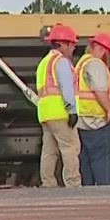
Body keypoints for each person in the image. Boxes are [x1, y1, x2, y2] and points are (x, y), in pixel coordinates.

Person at [35, 24, 81, 187]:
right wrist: (72, 110)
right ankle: (73, 183)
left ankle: (48, 183)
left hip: (46, 114)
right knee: (70, 148)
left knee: (49, 151)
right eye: (72, 44)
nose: (74, 48)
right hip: (60, 112)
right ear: (63, 44)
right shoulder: (61, 62)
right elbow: (66, 88)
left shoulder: (44, 63)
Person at [76, 32, 110, 186]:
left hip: (82, 123)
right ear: (103, 49)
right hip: (98, 124)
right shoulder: (95, 64)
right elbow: (99, 89)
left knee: (86, 173)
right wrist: (109, 110)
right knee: (104, 174)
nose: (108, 58)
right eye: (108, 54)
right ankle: (105, 202)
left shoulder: (81, 64)